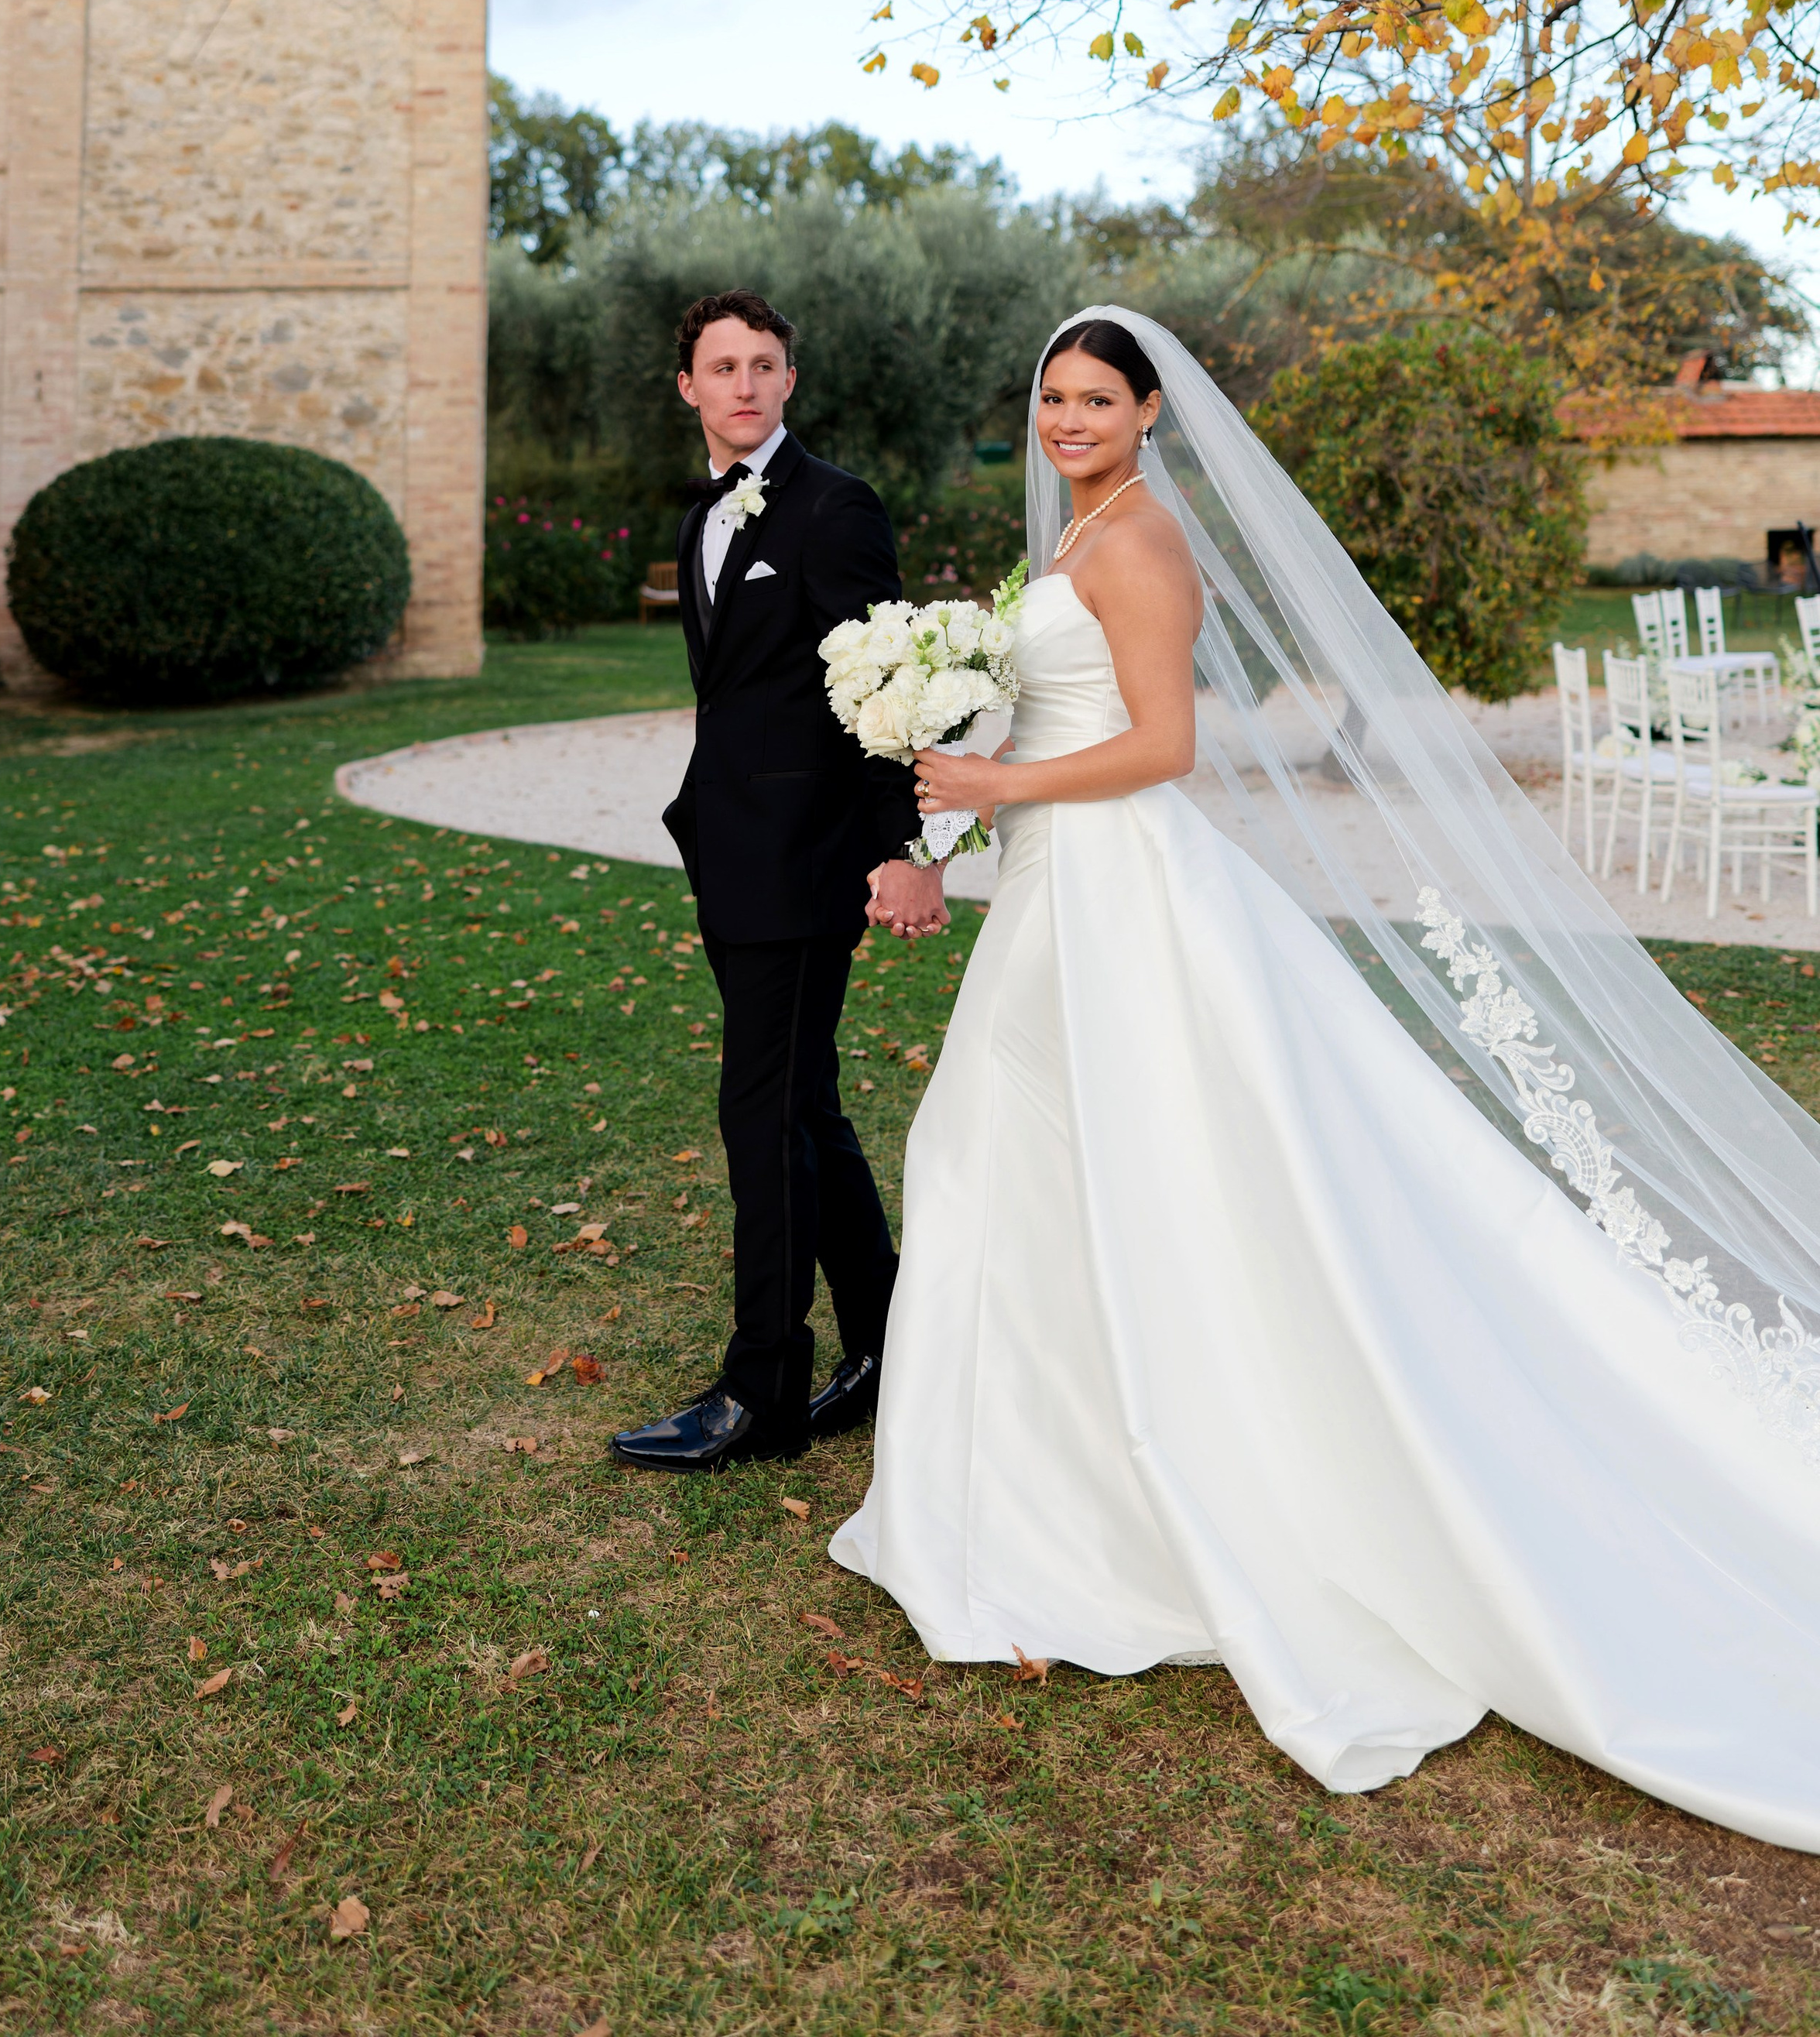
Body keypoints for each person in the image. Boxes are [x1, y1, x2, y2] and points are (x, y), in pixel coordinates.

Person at [832, 304, 1820, 1850]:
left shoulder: (1141, 542)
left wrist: (996, 780)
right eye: (1052, 396)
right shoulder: (1074, 535)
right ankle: (1022, 1491)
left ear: (1150, 413)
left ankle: (1105, 1505)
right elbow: (1038, 713)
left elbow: (1164, 745)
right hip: (1053, 889)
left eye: (1096, 398)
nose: (1068, 418)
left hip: (1120, 891)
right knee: (1002, 1157)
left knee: (1093, 1164)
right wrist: (945, 827)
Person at [610, 288, 949, 1476]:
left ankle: (764, 1390)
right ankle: (893, 1342)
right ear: (688, 387)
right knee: (804, 1105)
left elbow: (884, 690)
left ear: (790, 380)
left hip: (806, 863)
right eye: (723, 366)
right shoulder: (705, 512)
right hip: (733, 852)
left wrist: (900, 846)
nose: (745, 383)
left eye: (765, 363)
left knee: (761, 1112)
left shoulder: (835, 507)